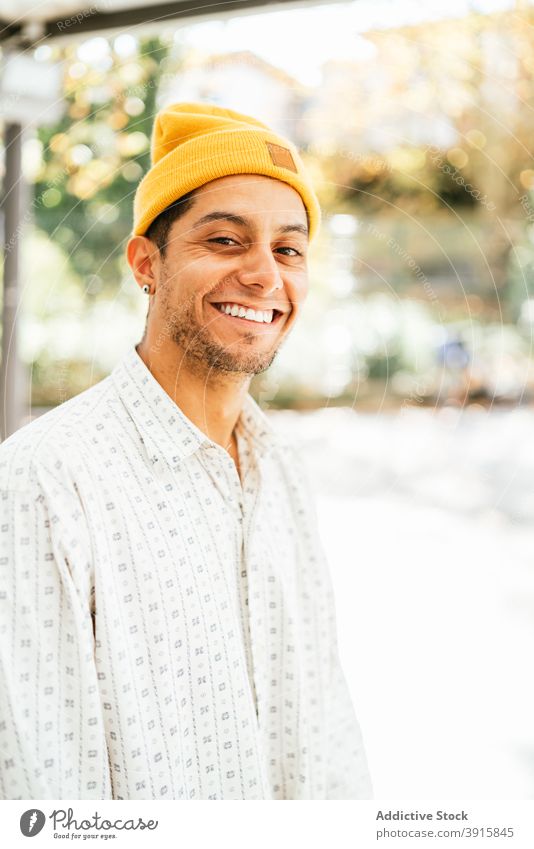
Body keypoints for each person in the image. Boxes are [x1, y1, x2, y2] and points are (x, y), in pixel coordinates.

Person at [0, 103, 372, 800]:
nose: (266, 276)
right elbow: (39, 790)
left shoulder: (283, 467)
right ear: (146, 262)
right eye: (227, 240)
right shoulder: (45, 481)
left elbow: (327, 732)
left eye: (288, 250)